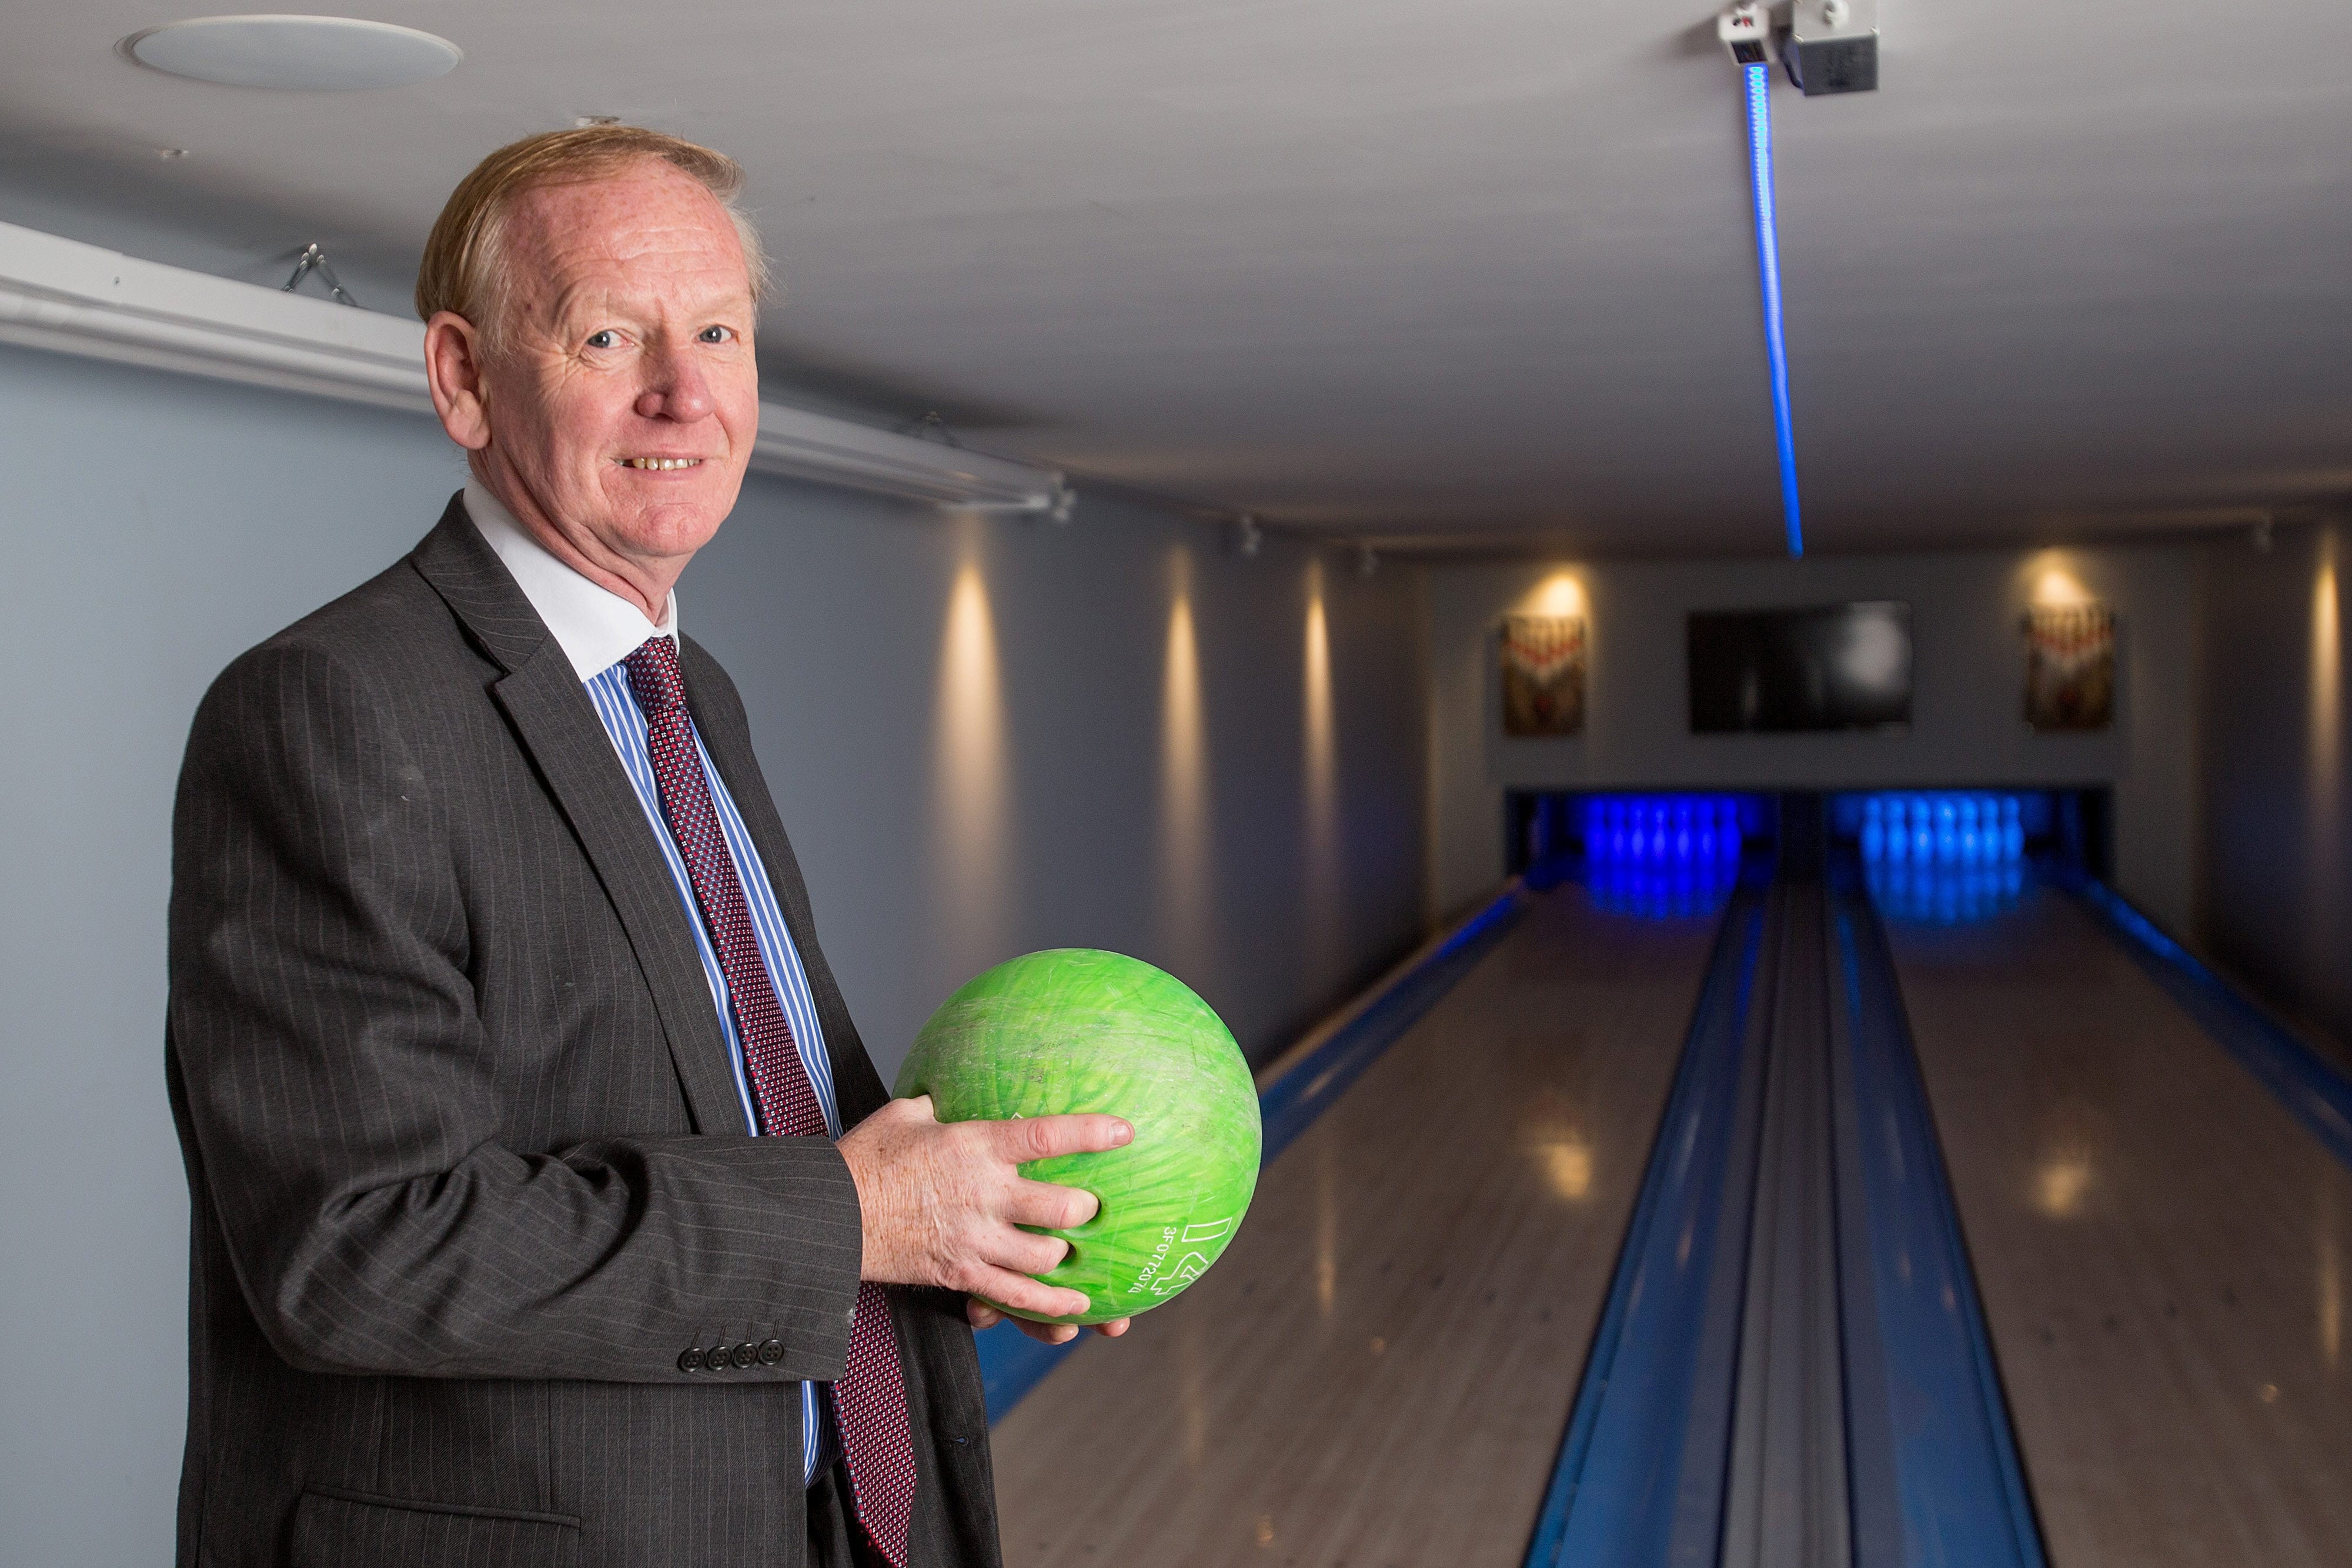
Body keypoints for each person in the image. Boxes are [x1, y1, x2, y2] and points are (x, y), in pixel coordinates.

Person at [165, 125, 1129, 1568]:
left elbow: (750, 1117)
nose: (682, 389)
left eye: (719, 330)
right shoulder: (331, 708)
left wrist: (966, 1236)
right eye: (610, 333)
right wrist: (855, 1219)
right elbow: (357, 1246)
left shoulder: (687, 693)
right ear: (463, 378)